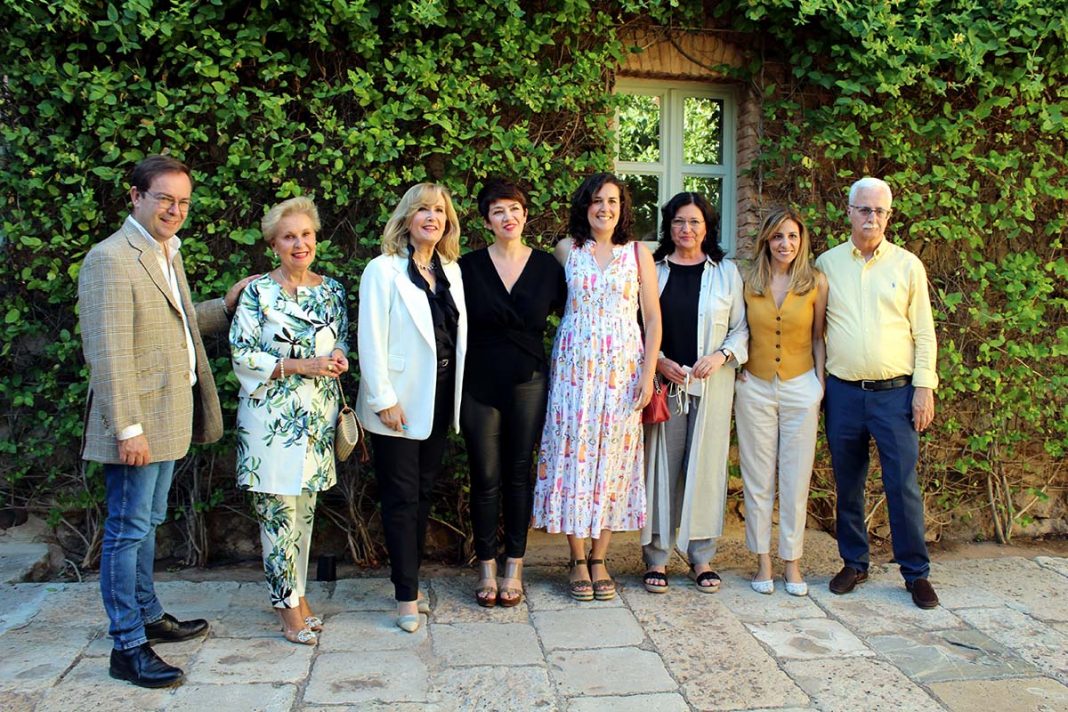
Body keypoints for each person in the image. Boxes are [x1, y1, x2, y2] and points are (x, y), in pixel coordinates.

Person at [78, 155, 255, 687]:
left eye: (183, 202)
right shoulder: (110, 258)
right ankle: (127, 645)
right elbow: (107, 352)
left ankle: (149, 614)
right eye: (164, 199)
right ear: (135, 197)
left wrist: (225, 305)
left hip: (168, 414)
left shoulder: (165, 252)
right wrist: (127, 429)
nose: (175, 210)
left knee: (148, 521)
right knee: (126, 529)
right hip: (138, 423)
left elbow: (175, 323)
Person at [531, 172, 661, 602]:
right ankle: (575, 558)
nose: (605, 208)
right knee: (572, 457)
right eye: (597, 200)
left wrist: (647, 374)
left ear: (623, 208)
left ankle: (600, 556)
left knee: (614, 461)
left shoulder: (638, 253)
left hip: (623, 372)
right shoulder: (566, 250)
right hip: (574, 372)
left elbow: (652, 318)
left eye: (613, 201)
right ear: (585, 206)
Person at [816, 176, 940, 609]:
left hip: (896, 395)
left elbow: (924, 333)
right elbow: (816, 330)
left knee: (902, 485)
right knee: (848, 482)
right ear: (849, 212)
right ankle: (854, 563)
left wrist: (924, 387)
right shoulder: (827, 264)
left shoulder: (907, 265)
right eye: (864, 209)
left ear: (889, 215)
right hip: (844, 394)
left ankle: (915, 573)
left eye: (880, 211)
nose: (872, 217)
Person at [230, 197, 349, 645]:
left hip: (316, 420)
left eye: (306, 235)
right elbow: (242, 355)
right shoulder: (257, 292)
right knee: (277, 517)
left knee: (303, 515)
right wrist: (302, 366)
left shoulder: (332, 290)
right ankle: (286, 609)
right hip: (270, 421)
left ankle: (297, 596)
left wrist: (339, 357)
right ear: (273, 245)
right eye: (289, 237)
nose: (300, 244)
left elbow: (341, 340)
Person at [356, 183, 467, 631]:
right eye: (423, 209)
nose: (432, 217)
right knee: (401, 498)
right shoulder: (381, 270)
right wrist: (384, 399)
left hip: (439, 398)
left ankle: (412, 582)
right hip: (397, 403)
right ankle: (405, 596)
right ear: (407, 217)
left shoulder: (451, 270)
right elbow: (370, 338)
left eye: (439, 210)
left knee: (422, 494)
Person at [459, 179, 566, 608]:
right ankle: (486, 565)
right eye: (498, 211)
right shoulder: (466, 267)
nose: (508, 217)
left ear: (525, 214)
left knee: (520, 475)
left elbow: (574, 316)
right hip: (478, 383)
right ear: (487, 221)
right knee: (484, 476)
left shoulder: (548, 268)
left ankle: (514, 567)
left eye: (515, 209)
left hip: (528, 381)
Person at [640, 192, 748, 595]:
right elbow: (637, 324)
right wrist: (659, 361)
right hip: (665, 386)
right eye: (679, 222)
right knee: (660, 470)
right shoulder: (653, 270)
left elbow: (741, 328)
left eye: (694, 222)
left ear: (707, 227)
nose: (686, 229)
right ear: (668, 226)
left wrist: (721, 356)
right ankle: (657, 556)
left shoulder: (726, 272)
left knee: (706, 471)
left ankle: (700, 555)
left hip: (711, 387)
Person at [735, 207, 827, 596]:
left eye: (791, 236)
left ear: (801, 240)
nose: (784, 244)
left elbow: (819, 336)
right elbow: (737, 329)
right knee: (757, 477)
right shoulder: (748, 280)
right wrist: (738, 368)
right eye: (777, 236)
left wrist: (818, 385)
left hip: (800, 385)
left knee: (795, 478)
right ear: (766, 241)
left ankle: (792, 562)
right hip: (754, 386)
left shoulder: (815, 282)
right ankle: (763, 562)